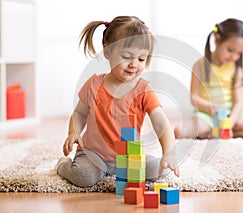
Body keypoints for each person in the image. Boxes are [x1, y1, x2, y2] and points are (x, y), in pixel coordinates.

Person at [56, 16, 180, 187]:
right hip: (94, 155)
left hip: (130, 158)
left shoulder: (143, 90)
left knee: (160, 169)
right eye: (126, 56)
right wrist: (73, 133)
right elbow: (79, 114)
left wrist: (169, 153)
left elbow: (160, 122)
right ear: (108, 51)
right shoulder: (93, 85)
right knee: (83, 177)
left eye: (141, 59)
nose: (133, 64)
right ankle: (62, 164)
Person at [174, 18, 243, 139]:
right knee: (178, 131)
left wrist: (229, 124)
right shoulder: (199, 65)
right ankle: (213, 131)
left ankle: (221, 132)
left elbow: (239, 103)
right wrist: (208, 107)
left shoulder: (236, 69)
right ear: (217, 40)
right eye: (230, 50)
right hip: (207, 114)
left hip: (232, 113)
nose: (234, 56)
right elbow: (194, 97)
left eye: (239, 53)